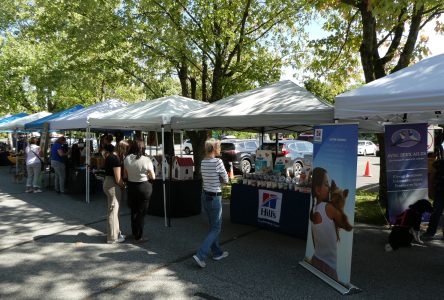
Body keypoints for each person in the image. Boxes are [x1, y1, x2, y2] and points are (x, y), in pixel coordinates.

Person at [193, 139, 229, 268]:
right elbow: (226, 179)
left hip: (205, 195)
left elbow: (207, 177)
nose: (220, 149)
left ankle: (217, 252)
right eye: (219, 147)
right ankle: (201, 254)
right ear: (214, 148)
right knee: (215, 228)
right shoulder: (218, 162)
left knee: (213, 227)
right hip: (214, 197)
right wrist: (220, 178)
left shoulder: (203, 161)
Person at [309, 167, 351, 280]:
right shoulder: (329, 208)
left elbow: (314, 241)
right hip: (328, 266)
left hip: (316, 259)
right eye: (326, 184)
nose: (329, 189)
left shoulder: (313, 208)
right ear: (318, 190)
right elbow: (346, 226)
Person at [124, 139, 155, 243]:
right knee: (141, 213)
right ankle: (139, 237)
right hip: (144, 187)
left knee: (134, 211)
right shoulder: (146, 159)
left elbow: (126, 174)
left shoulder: (127, 158)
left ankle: (134, 233)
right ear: (142, 148)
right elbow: (153, 176)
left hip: (132, 186)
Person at [102, 143, 125, 244]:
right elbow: (118, 179)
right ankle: (112, 237)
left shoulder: (108, 157)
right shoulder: (115, 159)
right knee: (113, 212)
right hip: (112, 185)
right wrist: (123, 186)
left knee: (112, 210)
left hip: (108, 183)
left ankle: (116, 233)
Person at [423, 159, 444, 239]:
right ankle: (430, 232)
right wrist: (430, 191)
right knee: (435, 213)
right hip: (440, 193)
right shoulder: (438, 163)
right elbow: (431, 178)